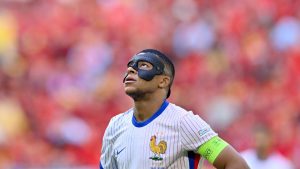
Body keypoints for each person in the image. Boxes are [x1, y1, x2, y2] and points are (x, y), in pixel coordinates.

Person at [100, 49, 249, 169]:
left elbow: (236, 164)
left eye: (143, 65)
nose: (131, 70)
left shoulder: (183, 122)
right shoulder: (115, 126)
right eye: (130, 66)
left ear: (163, 81)